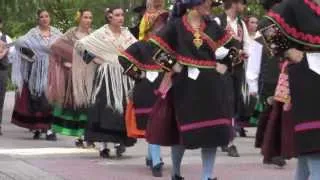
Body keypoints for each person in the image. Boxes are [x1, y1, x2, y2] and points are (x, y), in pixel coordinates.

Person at [145, 0, 241, 179]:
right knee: (184, 131)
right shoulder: (175, 26)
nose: (210, 6)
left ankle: (207, 176)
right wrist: (173, 65)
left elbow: (236, 46)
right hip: (185, 86)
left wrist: (226, 64)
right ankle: (176, 172)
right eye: (207, 2)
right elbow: (154, 47)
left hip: (212, 86)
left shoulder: (212, 26)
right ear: (194, 4)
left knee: (213, 132)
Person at [258, 0, 320, 179]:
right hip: (305, 77)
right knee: (313, 141)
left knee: (307, 156)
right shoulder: (294, 4)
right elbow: (266, 26)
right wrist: (287, 51)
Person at [73, 6, 137, 158]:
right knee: (105, 109)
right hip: (106, 75)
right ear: (109, 17)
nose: (120, 18)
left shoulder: (127, 34)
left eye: (122, 15)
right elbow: (80, 45)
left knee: (122, 108)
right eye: (117, 15)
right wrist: (94, 59)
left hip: (124, 76)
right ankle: (103, 146)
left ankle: (118, 142)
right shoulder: (101, 33)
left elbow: (137, 49)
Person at [119, 0, 169, 176]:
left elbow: (174, 64)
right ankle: (156, 161)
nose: (162, 26)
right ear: (148, 25)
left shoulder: (166, 47)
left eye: (163, 23)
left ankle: (152, 155)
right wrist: (137, 74)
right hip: (146, 89)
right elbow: (123, 58)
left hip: (164, 87)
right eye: (158, 23)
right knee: (151, 123)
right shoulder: (140, 45)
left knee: (159, 123)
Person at [10, 9, 62, 140]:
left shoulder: (57, 33)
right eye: (41, 17)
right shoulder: (32, 34)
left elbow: (65, 48)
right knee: (38, 100)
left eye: (47, 16)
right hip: (36, 73)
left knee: (51, 101)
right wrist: (31, 56)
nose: (44, 19)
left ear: (50, 18)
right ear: (38, 19)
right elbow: (19, 44)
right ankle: (38, 127)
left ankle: (50, 129)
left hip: (53, 71)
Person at [47, 9, 94, 147]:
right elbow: (56, 46)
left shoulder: (94, 35)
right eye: (85, 17)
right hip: (73, 76)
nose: (88, 20)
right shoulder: (71, 33)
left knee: (87, 105)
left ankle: (84, 135)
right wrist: (69, 60)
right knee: (73, 105)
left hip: (89, 75)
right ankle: (72, 134)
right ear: (79, 18)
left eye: (90, 17)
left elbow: (96, 54)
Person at [214, 0, 251, 156]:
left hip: (237, 69)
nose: (244, 7)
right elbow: (213, 46)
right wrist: (231, 53)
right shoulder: (218, 21)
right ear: (234, 3)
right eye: (243, 3)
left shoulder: (242, 24)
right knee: (225, 102)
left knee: (234, 102)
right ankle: (228, 141)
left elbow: (247, 44)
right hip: (222, 68)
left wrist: (245, 53)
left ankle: (225, 138)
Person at [0, 16, 14, 135]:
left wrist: (5, 52)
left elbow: (12, 57)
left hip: (1, 71)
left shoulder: (7, 39)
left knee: (0, 99)